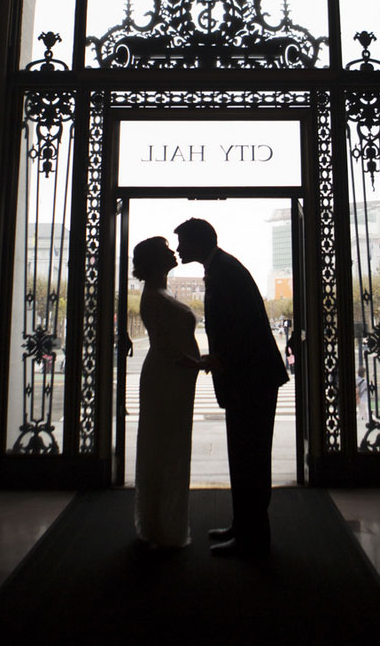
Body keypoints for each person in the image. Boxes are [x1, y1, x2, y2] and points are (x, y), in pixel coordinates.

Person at [175, 218, 289, 558]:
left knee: (249, 460)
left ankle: (252, 538)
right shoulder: (223, 267)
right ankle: (244, 526)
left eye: (182, 242)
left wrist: (220, 359)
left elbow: (243, 330)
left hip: (250, 381)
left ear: (198, 243)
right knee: (245, 459)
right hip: (250, 379)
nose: (178, 248)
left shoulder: (224, 271)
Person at [132, 236, 203, 549]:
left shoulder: (161, 292)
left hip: (173, 378)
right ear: (155, 261)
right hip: (167, 380)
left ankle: (161, 521)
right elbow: (168, 348)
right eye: (166, 250)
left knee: (167, 447)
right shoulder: (155, 296)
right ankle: (164, 525)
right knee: (167, 449)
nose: (173, 251)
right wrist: (201, 362)